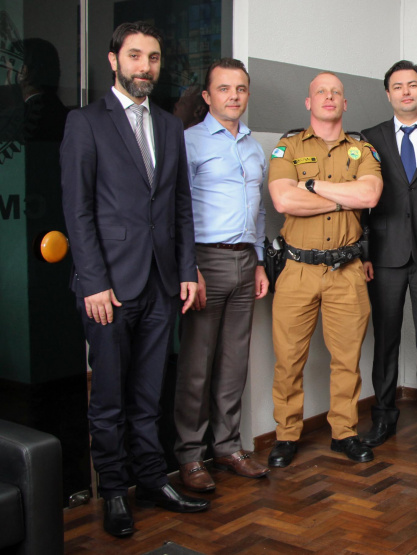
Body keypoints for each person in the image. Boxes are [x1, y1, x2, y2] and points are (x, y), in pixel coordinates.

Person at [60, 21, 209, 538]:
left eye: (153, 58)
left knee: (149, 394)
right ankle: (116, 491)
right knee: (109, 399)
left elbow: (180, 208)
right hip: (108, 288)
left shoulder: (169, 126)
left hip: (163, 283)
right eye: (136, 56)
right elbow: (77, 211)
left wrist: (187, 269)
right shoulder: (86, 122)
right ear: (113, 60)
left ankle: (151, 479)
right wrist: (93, 281)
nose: (145, 67)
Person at [266, 72, 382, 467]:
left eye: (336, 93)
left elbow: (369, 194)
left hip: (347, 270)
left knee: (347, 359)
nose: (329, 98)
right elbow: (283, 200)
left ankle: (344, 432)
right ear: (308, 102)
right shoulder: (288, 146)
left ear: (345, 104)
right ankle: (285, 434)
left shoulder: (361, 149)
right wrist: (339, 200)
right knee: (289, 359)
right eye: (321, 92)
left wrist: (311, 187)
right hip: (298, 269)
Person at [173, 58, 270, 493]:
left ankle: (228, 446)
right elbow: (177, 211)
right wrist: (187, 267)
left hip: (245, 261)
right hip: (204, 263)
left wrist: (261, 261)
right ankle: (191, 456)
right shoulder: (188, 142)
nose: (234, 96)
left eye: (241, 89)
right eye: (225, 89)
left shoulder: (253, 145)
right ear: (208, 96)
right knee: (197, 365)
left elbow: (260, 210)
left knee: (234, 362)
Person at [360, 60, 417, 449]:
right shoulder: (369, 137)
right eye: (398, 86)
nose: (406, 92)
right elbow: (360, 204)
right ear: (388, 93)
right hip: (383, 254)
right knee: (386, 340)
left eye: (413, 85)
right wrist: (362, 250)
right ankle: (383, 418)